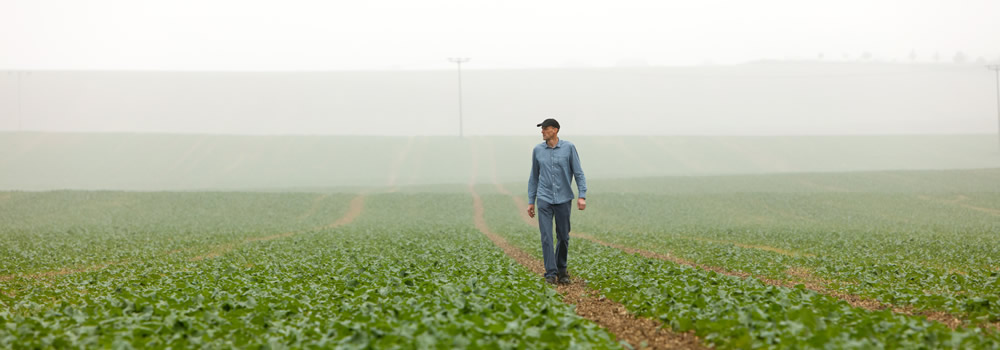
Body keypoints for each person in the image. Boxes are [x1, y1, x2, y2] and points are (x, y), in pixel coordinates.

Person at [527, 118, 587, 285]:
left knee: (563, 236)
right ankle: (551, 273)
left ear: (555, 130)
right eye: (542, 129)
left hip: (563, 199)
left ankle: (561, 269)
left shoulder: (569, 148)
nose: (542, 131)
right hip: (544, 198)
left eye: (545, 128)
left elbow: (579, 173)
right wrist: (531, 201)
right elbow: (534, 177)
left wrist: (582, 196)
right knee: (546, 236)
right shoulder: (537, 150)